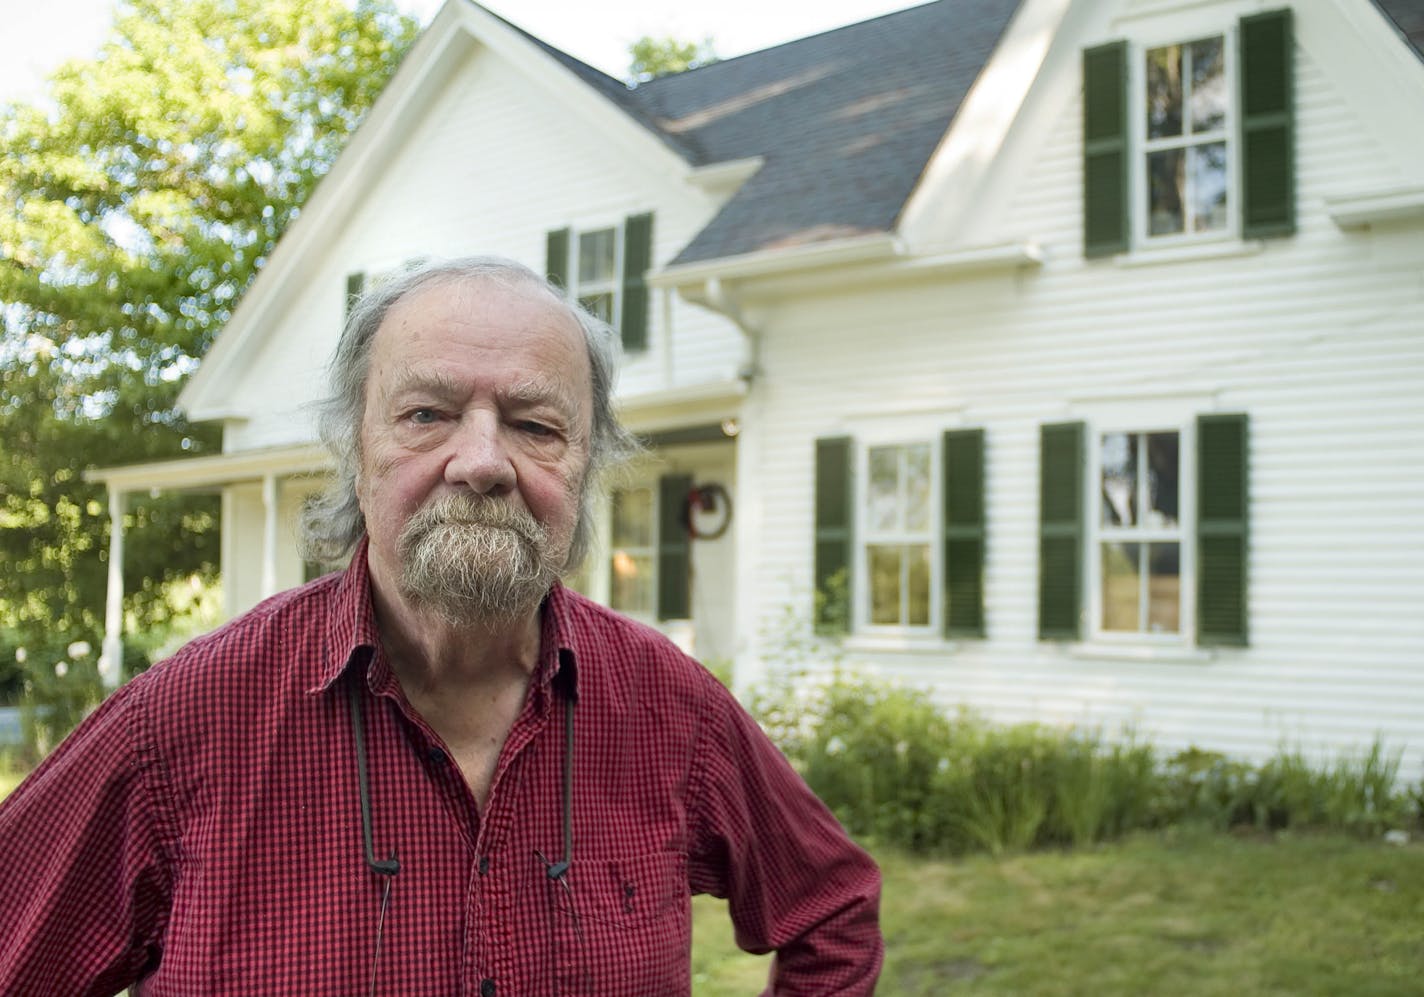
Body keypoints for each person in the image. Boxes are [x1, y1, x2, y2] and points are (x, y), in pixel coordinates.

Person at [0, 257, 882, 994]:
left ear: (587, 467)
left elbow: (832, 910)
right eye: (427, 414)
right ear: (355, 449)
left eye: (536, 424)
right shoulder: (186, 722)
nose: (483, 461)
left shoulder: (668, 706)